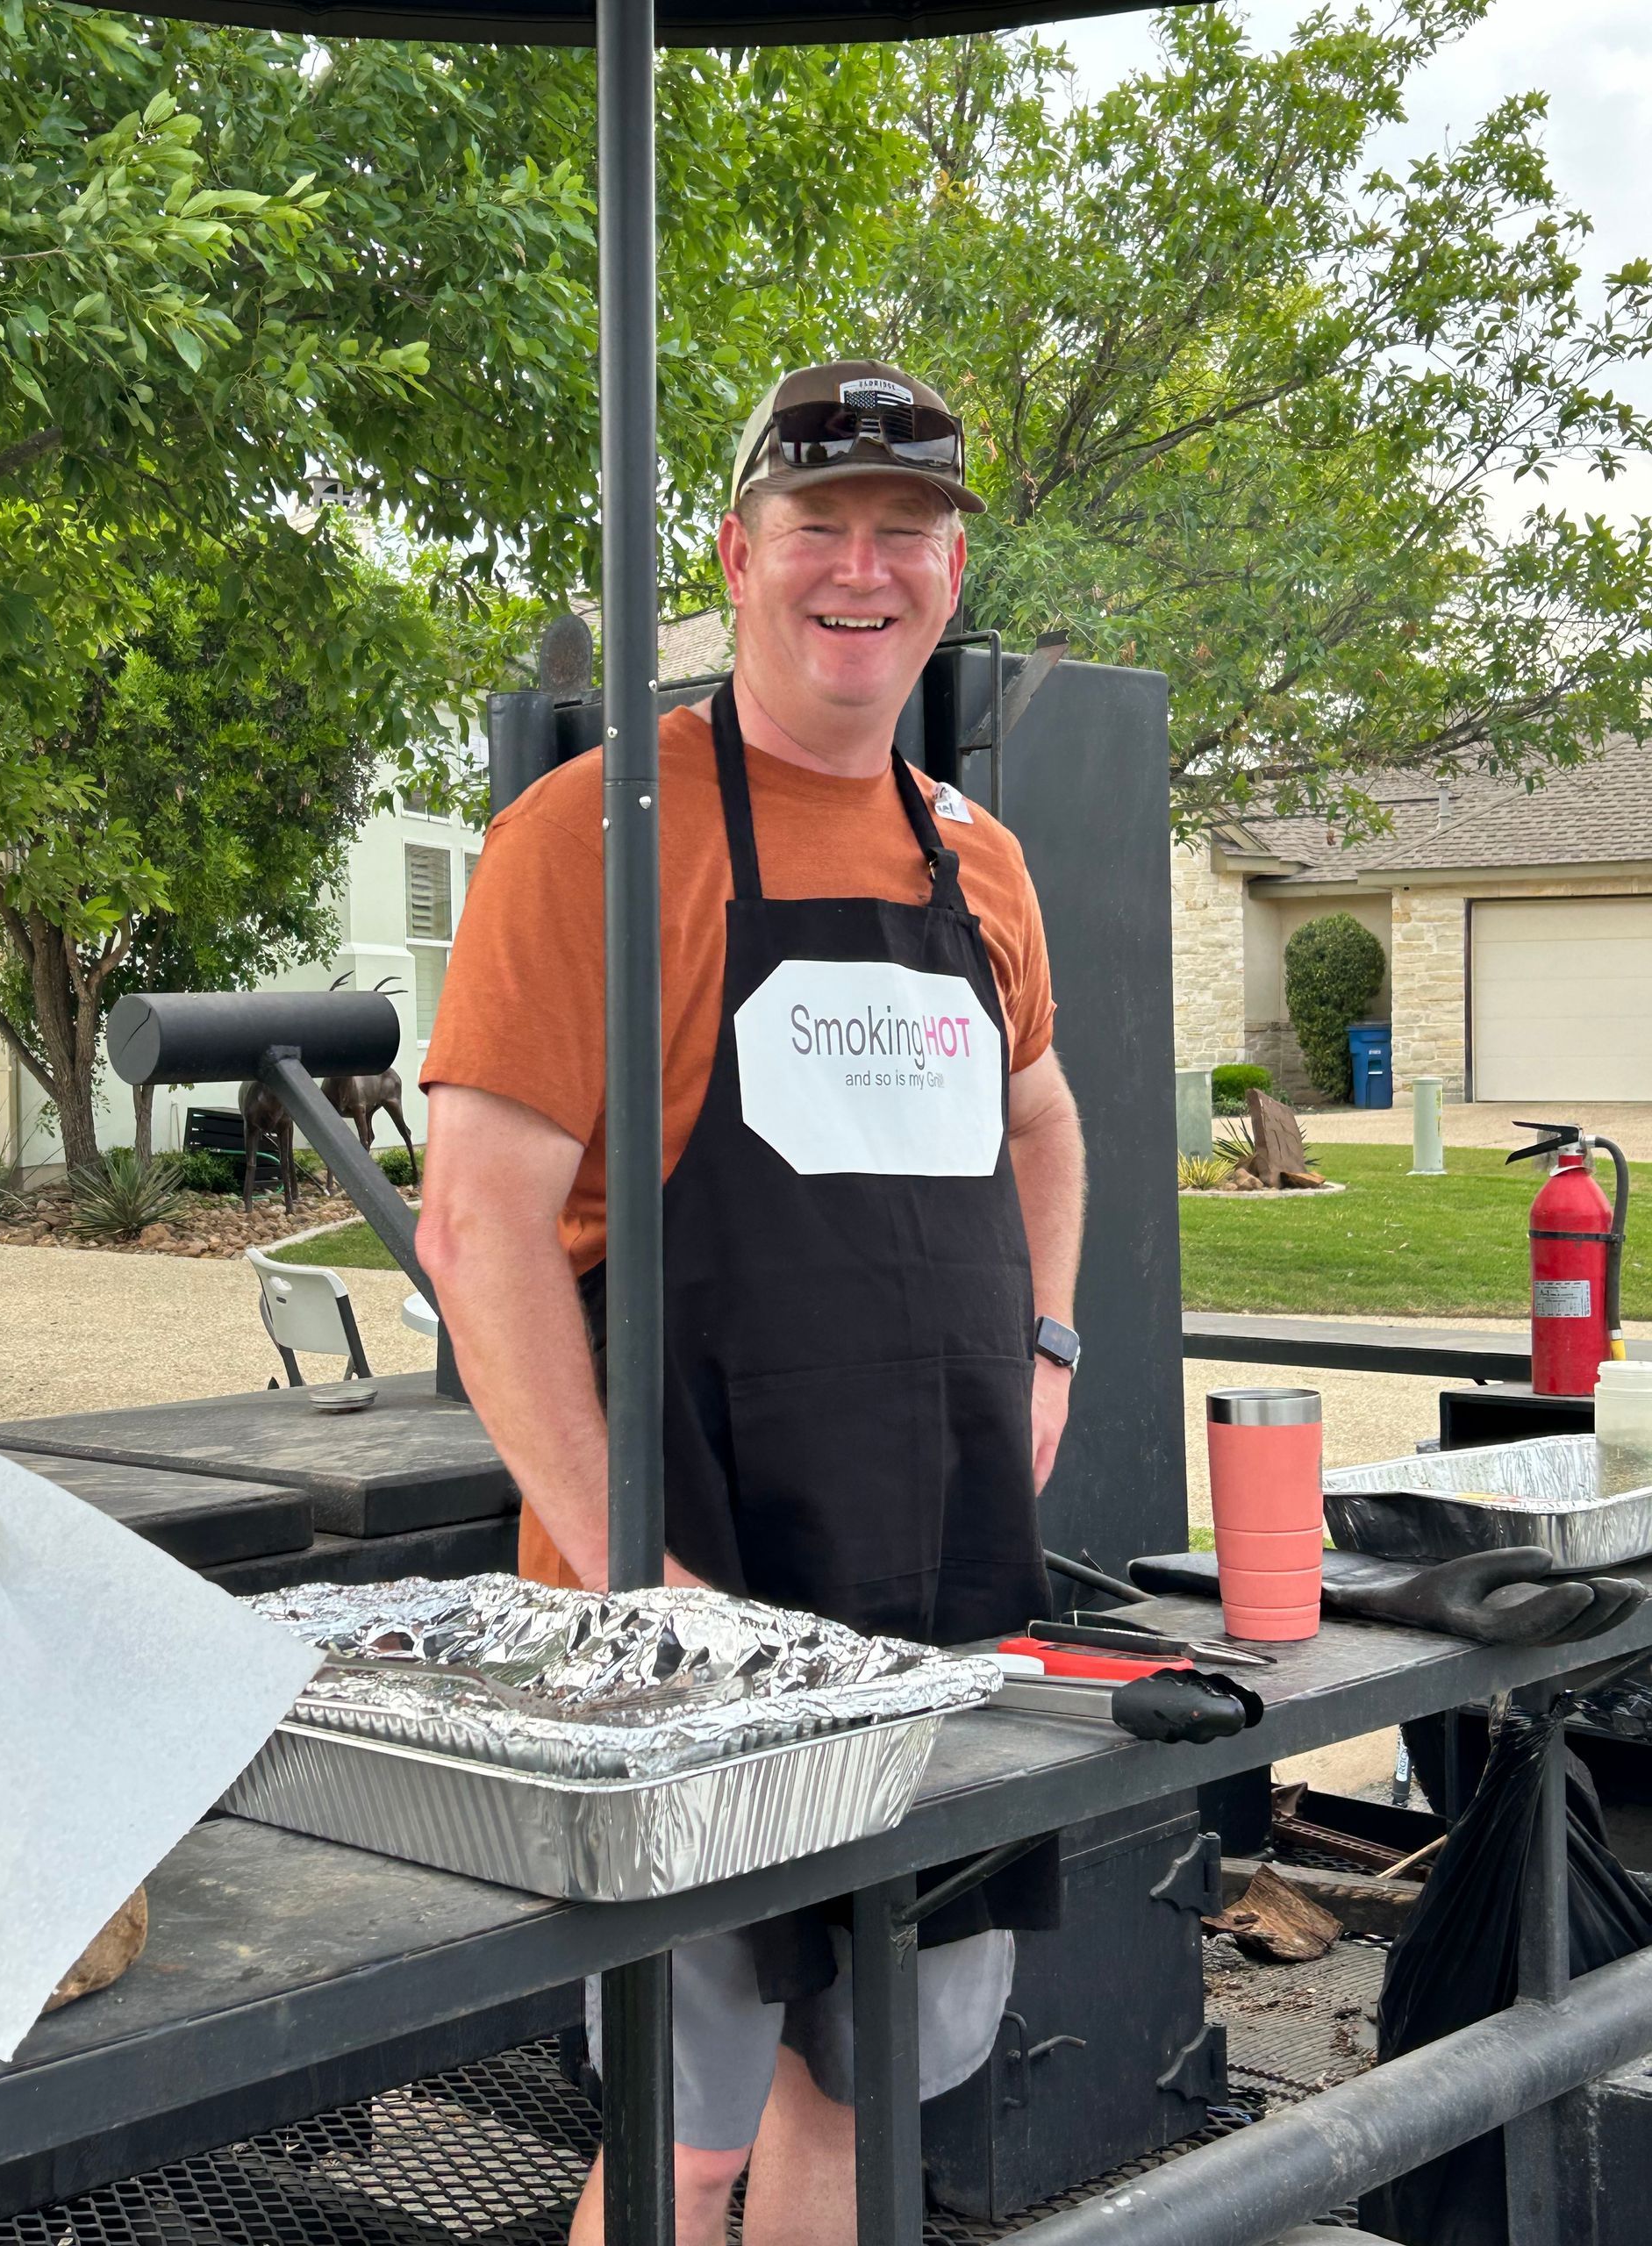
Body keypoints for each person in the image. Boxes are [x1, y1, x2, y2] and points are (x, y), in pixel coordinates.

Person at [418, 358, 1087, 2246]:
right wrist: (633, 1565)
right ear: (737, 554)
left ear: (952, 572)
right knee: (685, 2124)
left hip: (937, 1597)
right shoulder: (597, 830)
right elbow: (478, 1227)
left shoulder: (983, 860)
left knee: (864, 2095)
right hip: (680, 1604)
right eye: (820, 527)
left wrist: (1048, 1337)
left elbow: (1046, 1124)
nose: (861, 570)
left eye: (907, 531)